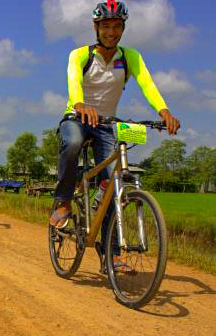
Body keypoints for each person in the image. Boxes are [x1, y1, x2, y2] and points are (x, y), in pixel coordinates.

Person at [50, 1, 180, 267]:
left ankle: (109, 252)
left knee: (113, 183)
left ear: (123, 28)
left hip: (107, 124)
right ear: (96, 27)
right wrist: (80, 104)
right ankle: (62, 200)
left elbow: (147, 83)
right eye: (106, 26)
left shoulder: (130, 57)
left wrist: (163, 110)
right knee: (73, 141)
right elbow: (73, 81)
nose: (111, 32)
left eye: (117, 26)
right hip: (77, 117)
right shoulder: (80, 55)